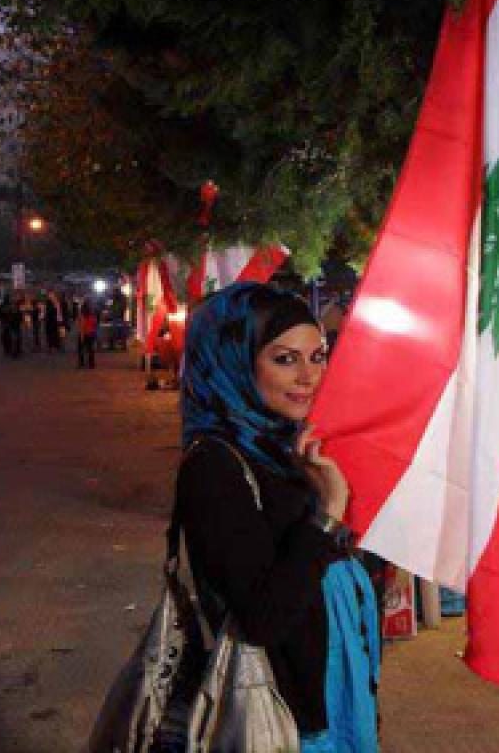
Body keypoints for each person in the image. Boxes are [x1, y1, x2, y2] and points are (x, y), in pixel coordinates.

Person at [176, 282, 379, 753]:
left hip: (331, 693)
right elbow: (263, 618)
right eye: (285, 359)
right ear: (236, 362)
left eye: (318, 356)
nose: (309, 377)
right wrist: (327, 511)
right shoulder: (214, 466)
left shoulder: (286, 446)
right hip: (279, 712)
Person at [77, 298, 98, 369]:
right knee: (91, 349)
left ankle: (81, 363)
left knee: (81, 349)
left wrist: (81, 335)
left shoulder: (82, 316)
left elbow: (82, 326)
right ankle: (91, 364)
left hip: (85, 334)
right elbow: (95, 324)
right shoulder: (92, 315)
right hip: (91, 333)